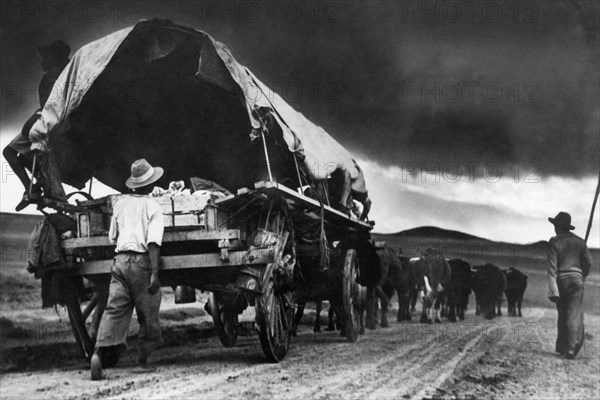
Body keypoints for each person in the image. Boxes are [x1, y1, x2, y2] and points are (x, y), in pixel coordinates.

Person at [91, 159, 165, 380]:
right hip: (141, 262)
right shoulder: (153, 206)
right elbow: (153, 242)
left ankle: (97, 353)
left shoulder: (120, 204)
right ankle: (142, 359)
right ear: (150, 185)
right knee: (148, 310)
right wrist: (154, 273)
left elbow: (112, 236)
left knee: (114, 309)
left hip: (120, 261)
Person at [3, 40, 70, 211]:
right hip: (43, 118)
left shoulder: (63, 75)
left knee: (23, 152)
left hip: (53, 122)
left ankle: (42, 187)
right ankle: (31, 187)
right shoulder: (52, 76)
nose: (42, 60)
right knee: (10, 151)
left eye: (46, 56)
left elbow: (56, 105)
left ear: (56, 57)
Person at [547, 211, 593, 360]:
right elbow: (588, 262)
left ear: (558, 227)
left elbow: (552, 267)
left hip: (562, 282)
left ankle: (563, 347)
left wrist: (553, 290)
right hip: (577, 281)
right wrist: (582, 275)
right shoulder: (580, 242)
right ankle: (571, 348)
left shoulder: (555, 242)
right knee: (573, 314)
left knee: (563, 313)